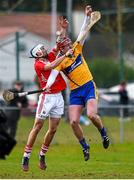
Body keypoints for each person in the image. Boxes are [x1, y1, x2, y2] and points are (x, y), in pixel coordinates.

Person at [44, 5, 110, 161]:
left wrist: (87, 16)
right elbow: (53, 75)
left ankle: (103, 133)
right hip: (75, 92)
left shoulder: (76, 48)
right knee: (73, 121)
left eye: (68, 41)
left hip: (88, 86)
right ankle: (85, 147)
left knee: (92, 115)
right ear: (61, 47)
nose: (68, 42)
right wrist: (48, 85)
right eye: (65, 42)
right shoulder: (60, 61)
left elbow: (82, 32)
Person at [21, 40, 73, 171]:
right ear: (37, 53)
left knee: (53, 129)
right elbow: (52, 66)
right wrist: (65, 55)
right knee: (38, 126)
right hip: (47, 98)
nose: (44, 49)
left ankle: (42, 155)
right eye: (41, 49)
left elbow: (57, 47)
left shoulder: (49, 57)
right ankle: (26, 156)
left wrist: (63, 29)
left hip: (58, 97)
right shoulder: (38, 64)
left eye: (44, 48)